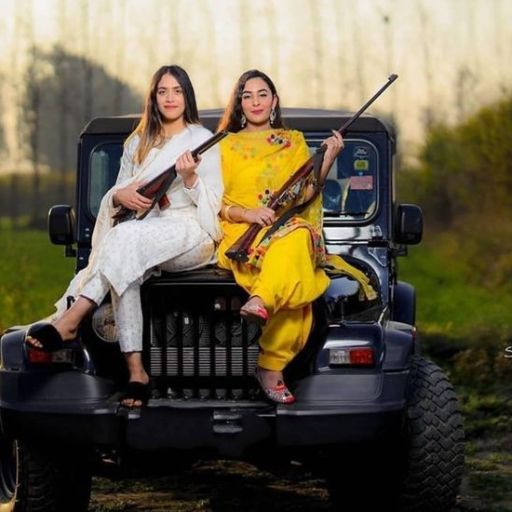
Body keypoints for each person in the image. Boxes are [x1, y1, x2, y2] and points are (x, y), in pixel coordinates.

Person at [25, 65, 223, 408]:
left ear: (186, 96)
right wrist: (120, 196)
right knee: (125, 256)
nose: (170, 98)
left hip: (192, 232)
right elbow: (119, 189)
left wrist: (189, 179)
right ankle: (136, 372)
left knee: (124, 240)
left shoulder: (201, 139)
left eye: (177, 91)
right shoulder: (137, 142)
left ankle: (71, 320)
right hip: (142, 229)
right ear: (154, 96)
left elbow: (214, 204)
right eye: (163, 91)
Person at [216, 69, 375, 404]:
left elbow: (305, 194)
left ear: (274, 101)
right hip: (240, 235)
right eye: (247, 96)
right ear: (239, 104)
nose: (255, 101)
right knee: (300, 281)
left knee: (298, 236)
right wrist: (249, 214)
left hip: (283, 228)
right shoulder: (224, 146)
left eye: (262, 94)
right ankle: (271, 366)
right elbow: (214, 203)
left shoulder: (293, 141)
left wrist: (328, 157)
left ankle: (262, 304)